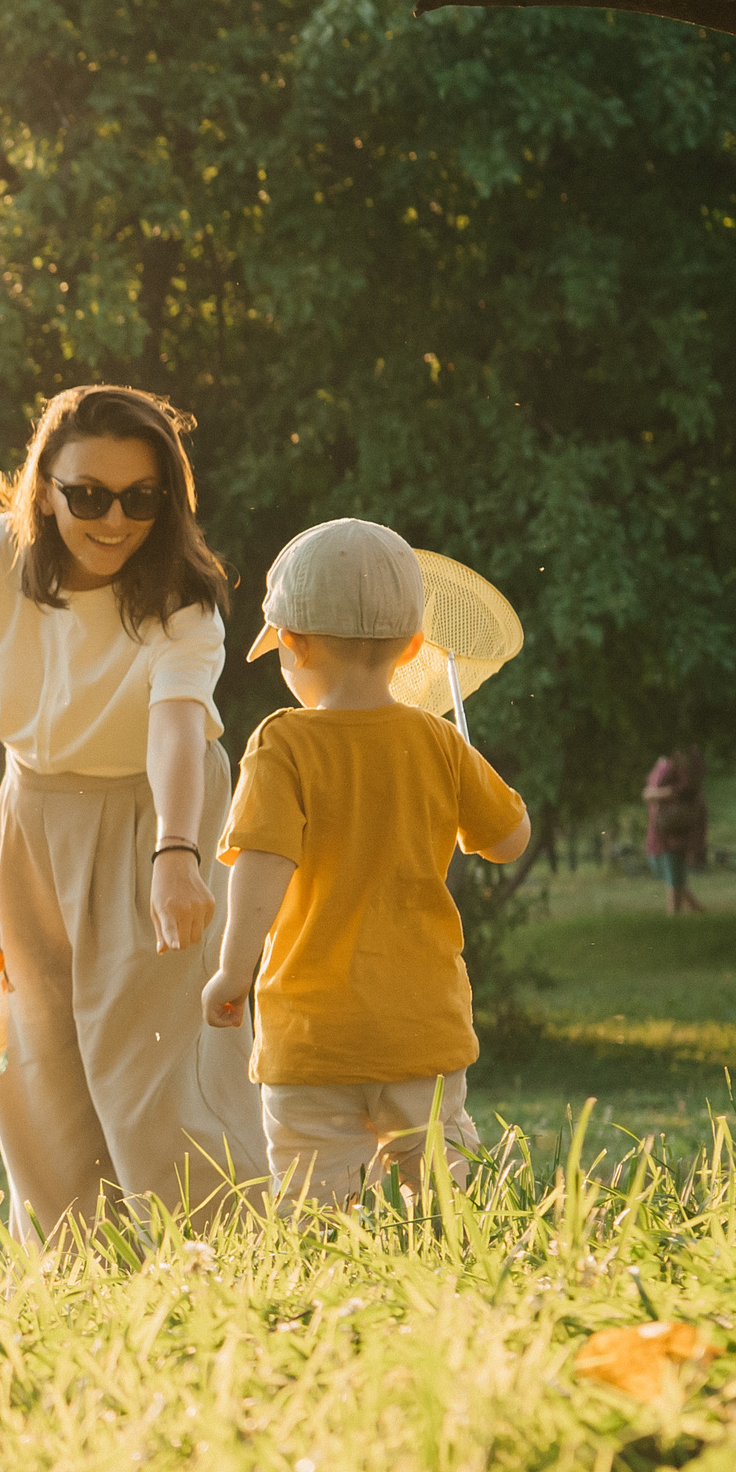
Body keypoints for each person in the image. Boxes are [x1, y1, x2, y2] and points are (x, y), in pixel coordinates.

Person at [0, 384, 268, 1237]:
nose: (114, 519)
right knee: (27, 1059)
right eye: (87, 496)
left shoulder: (182, 595)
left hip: (158, 814)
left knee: (145, 1069)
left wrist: (179, 855)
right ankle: (77, 1274)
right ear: (44, 487)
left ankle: (223, 1257)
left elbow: (178, 729)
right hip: (30, 812)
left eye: (140, 498)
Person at [200, 518, 533, 1208]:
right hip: (422, 1025)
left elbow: (260, 867)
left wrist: (234, 970)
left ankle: (325, 1299)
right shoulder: (438, 742)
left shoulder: (281, 743)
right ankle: (450, 1282)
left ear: (290, 643)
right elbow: (510, 841)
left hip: (314, 1033)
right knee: (441, 1184)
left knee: (314, 1200)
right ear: (414, 645)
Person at [643, 745, 709, 915]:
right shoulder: (665, 757)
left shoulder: (685, 756)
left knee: (673, 868)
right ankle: (697, 908)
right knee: (658, 864)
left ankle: (674, 917)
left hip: (675, 823)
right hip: (659, 826)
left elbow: (687, 789)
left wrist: (656, 794)